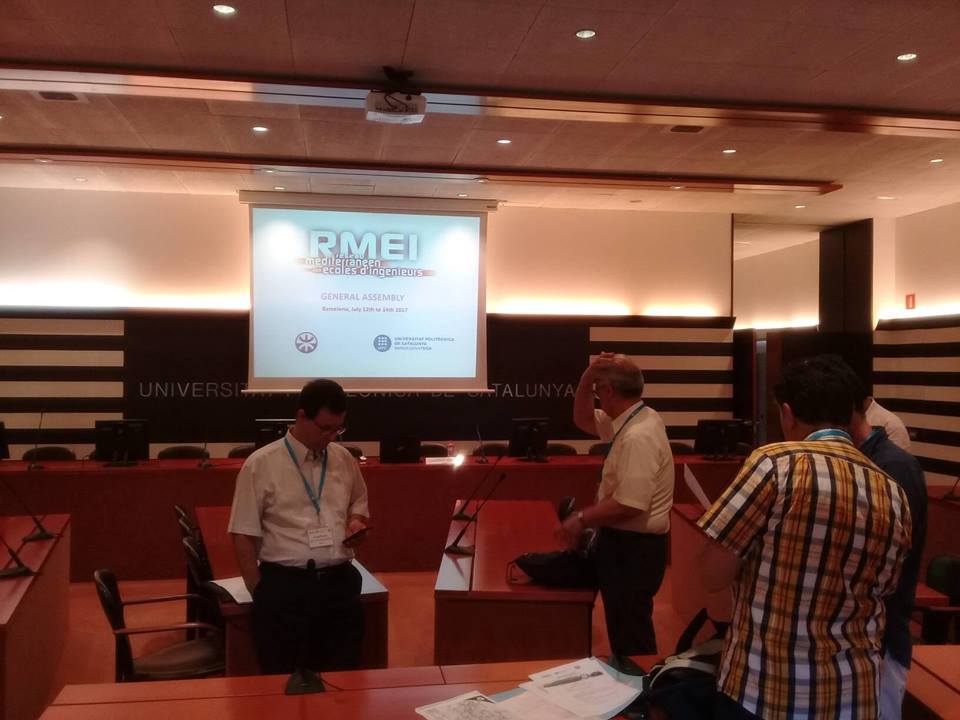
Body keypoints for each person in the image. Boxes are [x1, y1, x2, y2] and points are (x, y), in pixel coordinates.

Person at [697, 355, 912, 720]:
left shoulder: (775, 463)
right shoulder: (893, 491)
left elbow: (710, 574)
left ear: (787, 413)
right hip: (855, 695)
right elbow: (885, 588)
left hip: (766, 690)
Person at [229, 379, 370, 674]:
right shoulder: (261, 464)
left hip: (339, 585)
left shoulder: (344, 459)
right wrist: (260, 593)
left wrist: (356, 522)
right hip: (285, 588)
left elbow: (358, 503)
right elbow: (242, 532)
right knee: (283, 680)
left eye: (338, 429)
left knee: (344, 679)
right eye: (324, 428)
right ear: (301, 416)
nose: (331, 437)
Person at [559, 352, 674, 657]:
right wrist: (587, 377)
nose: (596, 396)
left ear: (609, 392)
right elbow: (583, 419)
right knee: (624, 628)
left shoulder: (638, 436)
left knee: (631, 638)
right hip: (625, 545)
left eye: (598, 390)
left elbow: (629, 504)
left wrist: (581, 518)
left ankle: (639, 685)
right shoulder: (637, 417)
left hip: (633, 551)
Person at [847, 375, 927, 720]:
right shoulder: (860, 457)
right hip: (857, 637)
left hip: (880, 637)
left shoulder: (892, 465)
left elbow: (890, 557)